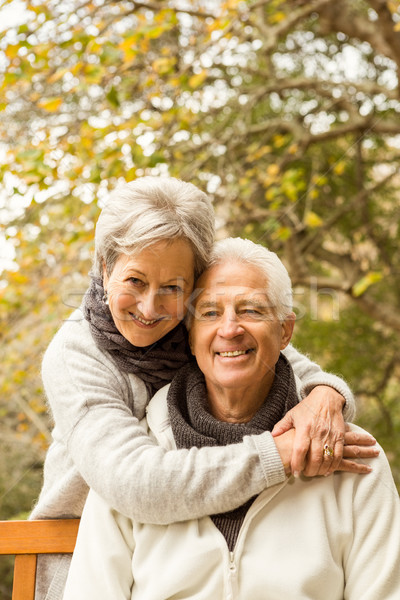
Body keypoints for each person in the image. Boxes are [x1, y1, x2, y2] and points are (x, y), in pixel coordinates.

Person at [32, 177, 362, 599]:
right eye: (134, 280)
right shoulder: (75, 354)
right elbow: (135, 485)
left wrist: (325, 395)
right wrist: (276, 455)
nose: (150, 309)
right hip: (84, 556)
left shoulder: (197, 326)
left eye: (171, 287)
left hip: (186, 543)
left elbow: (280, 355)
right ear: (104, 266)